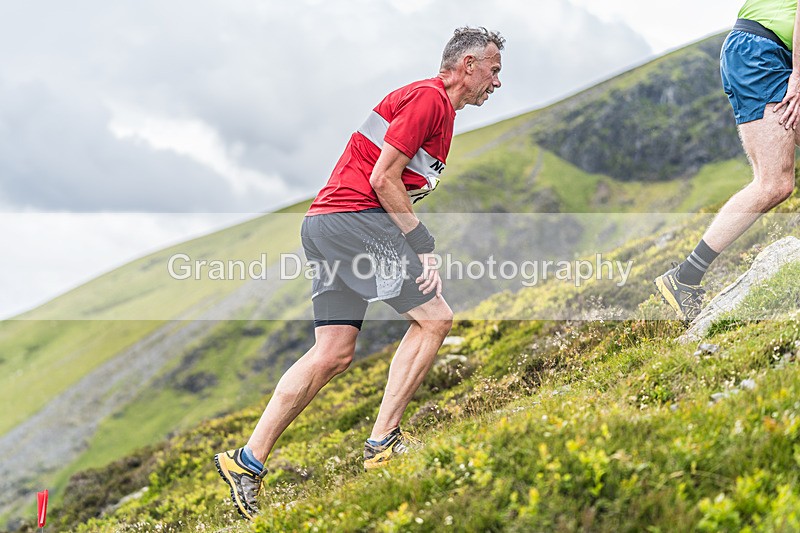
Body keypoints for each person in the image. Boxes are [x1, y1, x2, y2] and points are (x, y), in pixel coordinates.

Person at [214, 27, 504, 520]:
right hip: (352, 223)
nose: (497, 83)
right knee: (434, 319)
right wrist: (421, 244)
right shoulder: (429, 100)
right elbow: (382, 178)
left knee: (332, 353)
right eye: (494, 71)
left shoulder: (440, 111)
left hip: (326, 225)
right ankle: (382, 444)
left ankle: (247, 462)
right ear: (468, 65)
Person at [655, 0, 799, 320]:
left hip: (771, 52)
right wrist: (798, 76)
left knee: (775, 182)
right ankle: (685, 277)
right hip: (761, 54)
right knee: (774, 182)